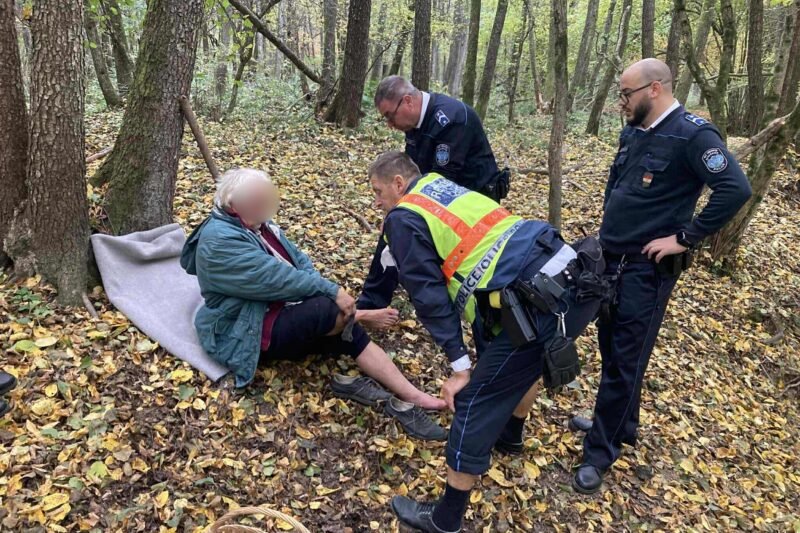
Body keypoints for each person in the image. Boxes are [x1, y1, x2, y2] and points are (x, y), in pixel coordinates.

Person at [365, 151, 605, 533]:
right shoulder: (440, 186)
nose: (376, 202)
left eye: (377, 191)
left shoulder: (403, 216)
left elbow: (427, 294)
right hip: (574, 274)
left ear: (398, 183)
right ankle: (510, 436)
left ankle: (446, 519)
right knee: (523, 366)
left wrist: (459, 366)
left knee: (474, 400)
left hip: (535, 301)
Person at [569, 58, 752, 494]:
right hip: (610, 259)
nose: (621, 102)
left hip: (646, 270)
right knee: (613, 347)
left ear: (654, 89)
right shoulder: (637, 128)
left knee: (625, 359)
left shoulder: (693, 134)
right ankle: (620, 424)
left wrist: (686, 237)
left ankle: (601, 451)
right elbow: (621, 184)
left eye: (626, 93)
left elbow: (736, 188)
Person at [180, 168, 447, 440]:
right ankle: (360, 315)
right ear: (234, 204)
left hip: (277, 309)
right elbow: (276, 277)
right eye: (258, 203)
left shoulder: (257, 224)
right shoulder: (219, 242)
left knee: (346, 330)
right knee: (328, 310)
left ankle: (412, 395)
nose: (265, 208)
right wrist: (331, 292)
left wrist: (326, 290)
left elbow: (298, 260)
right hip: (245, 328)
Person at [358, 75, 509, 316]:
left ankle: (457, 310)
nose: (389, 124)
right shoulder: (414, 123)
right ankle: (370, 305)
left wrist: (404, 210)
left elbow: (442, 178)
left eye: (389, 115)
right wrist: (396, 209)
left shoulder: (451, 119)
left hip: (473, 204)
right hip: (440, 194)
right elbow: (411, 171)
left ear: (407, 101)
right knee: (396, 228)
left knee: (459, 260)